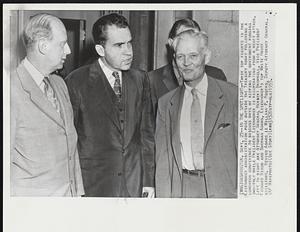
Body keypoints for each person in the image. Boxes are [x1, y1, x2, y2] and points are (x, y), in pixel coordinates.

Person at [65, 13, 155, 197]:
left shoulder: (141, 79)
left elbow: (147, 135)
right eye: (119, 45)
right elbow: (70, 143)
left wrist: (148, 182)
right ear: (100, 49)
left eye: (129, 43)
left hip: (134, 184)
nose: (128, 51)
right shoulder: (76, 81)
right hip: (95, 187)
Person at [155, 30, 238, 198]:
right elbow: (163, 163)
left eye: (193, 56)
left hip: (223, 191)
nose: (186, 63)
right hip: (182, 190)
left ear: (206, 56)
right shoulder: (166, 103)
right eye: (180, 57)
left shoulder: (233, 96)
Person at [10, 13, 84, 196]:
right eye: (62, 44)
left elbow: (71, 147)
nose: (68, 50)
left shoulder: (60, 84)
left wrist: (79, 194)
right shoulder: (10, 90)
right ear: (43, 46)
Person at [149, 18, 227, 116]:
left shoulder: (217, 76)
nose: (189, 42)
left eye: (195, 37)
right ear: (171, 43)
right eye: (183, 37)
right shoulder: (152, 80)